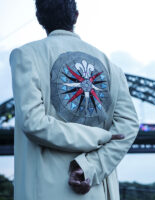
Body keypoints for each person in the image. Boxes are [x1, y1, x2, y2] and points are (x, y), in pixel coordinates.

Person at [9, 0, 139, 199]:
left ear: (39, 19)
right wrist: (91, 166)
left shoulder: (26, 56)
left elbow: (33, 122)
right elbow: (128, 127)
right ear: (76, 16)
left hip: (44, 191)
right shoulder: (112, 68)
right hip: (97, 191)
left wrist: (96, 136)